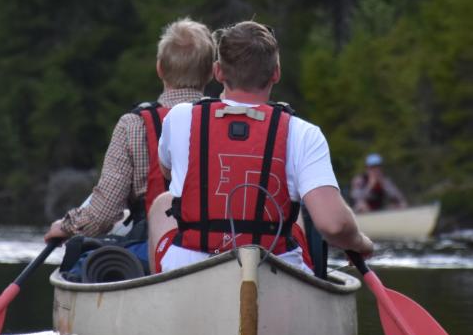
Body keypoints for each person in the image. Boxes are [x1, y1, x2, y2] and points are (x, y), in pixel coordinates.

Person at [148, 20, 374, 272]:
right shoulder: (303, 133)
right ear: (276, 73)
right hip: (274, 268)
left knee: (163, 203)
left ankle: (159, 289)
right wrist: (360, 243)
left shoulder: (180, 117)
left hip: (192, 269)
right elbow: (334, 225)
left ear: (218, 72)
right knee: (293, 210)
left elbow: (167, 172)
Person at [45, 18, 215, 269]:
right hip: (214, 244)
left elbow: (103, 214)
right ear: (211, 72)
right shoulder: (225, 121)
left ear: (160, 68)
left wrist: (67, 227)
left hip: (153, 245)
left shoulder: (133, 125)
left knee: (79, 262)